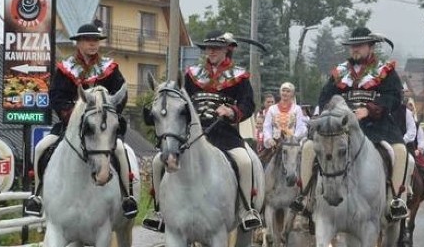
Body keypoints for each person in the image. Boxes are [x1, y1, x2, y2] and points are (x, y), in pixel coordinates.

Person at [143, 30, 263, 232]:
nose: (212, 52)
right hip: (193, 134)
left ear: (226, 50)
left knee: (244, 161)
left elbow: (248, 105)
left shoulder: (240, 76)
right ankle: (158, 211)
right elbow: (179, 101)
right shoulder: (192, 75)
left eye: (216, 48)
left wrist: (232, 111)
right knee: (158, 161)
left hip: (224, 134)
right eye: (209, 48)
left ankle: (246, 210)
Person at [293, 27, 409, 222]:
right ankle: (306, 197)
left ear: (370, 47)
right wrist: (332, 113)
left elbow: (394, 96)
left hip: (377, 127)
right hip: (341, 128)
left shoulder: (385, 71)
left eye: (359, 45)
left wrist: (370, 110)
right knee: (308, 148)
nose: (355, 49)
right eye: (352, 46)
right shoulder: (340, 72)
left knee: (400, 151)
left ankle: (394, 200)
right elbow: (324, 97)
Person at [25, 23, 137, 218]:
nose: (92, 44)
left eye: (95, 40)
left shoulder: (109, 68)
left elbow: (120, 95)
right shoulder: (65, 68)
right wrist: (70, 115)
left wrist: (109, 115)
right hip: (70, 125)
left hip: (101, 128)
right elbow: (56, 96)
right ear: (78, 43)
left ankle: (127, 196)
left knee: (120, 150)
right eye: (88, 40)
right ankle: (37, 195)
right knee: (41, 147)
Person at [263, 82, 308, 148]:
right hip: (275, 143)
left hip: (292, 143)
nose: (285, 93)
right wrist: (269, 139)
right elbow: (267, 126)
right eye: (283, 91)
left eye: (288, 91)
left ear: (292, 94)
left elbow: (300, 126)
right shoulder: (272, 109)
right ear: (280, 92)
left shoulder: (297, 109)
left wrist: (294, 138)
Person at [405, 98, 424, 201]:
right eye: (407, 105)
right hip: (403, 150)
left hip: (415, 151)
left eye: (411, 105)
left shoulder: (417, 125)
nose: (409, 107)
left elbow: (421, 140)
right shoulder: (400, 121)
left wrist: (419, 149)